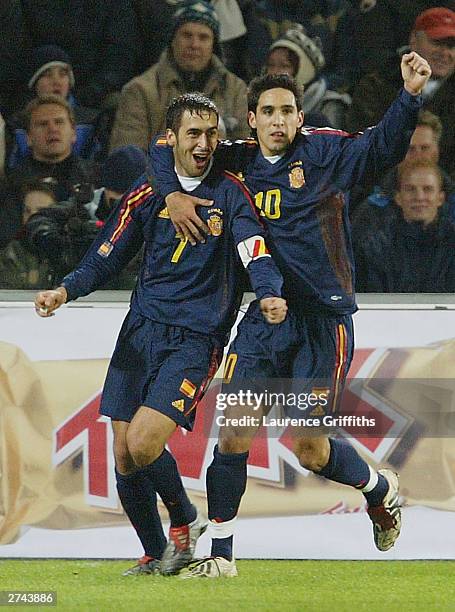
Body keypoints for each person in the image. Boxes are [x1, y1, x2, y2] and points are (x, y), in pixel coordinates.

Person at [149, 53, 431, 577]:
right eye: (268, 112)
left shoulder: (325, 153)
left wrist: (410, 95)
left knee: (309, 448)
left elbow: (384, 145)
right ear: (250, 119)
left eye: (287, 111)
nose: (279, 121)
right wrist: (169, 190)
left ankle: (380, 488)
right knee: (232, 429)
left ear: (301, 117)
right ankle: (222, 557)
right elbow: (164, 149)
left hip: (323, 324)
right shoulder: (234, 160)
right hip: (264, 319)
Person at [34, 93, 287, 577]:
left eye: (212, 133)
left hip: (195, 338)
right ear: (171, 138)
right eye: (194, 133)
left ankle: (186, 519)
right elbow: (108, 252)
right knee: (125, 456)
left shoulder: (231, 192)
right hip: (141, 331)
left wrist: (269, 290)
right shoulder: (149, 191)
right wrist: (65, 290)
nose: (205, 143)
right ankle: (156, 555)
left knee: (146, 442)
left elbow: (254, 247)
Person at [109, 0, 249, 151]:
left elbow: (247, 154)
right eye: (187, 35)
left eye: (203, 37)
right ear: (172, 41)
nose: (194, 44)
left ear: (213, 45)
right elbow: (128, 161)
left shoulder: (236, 90)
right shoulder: (139, 91)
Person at [346, 7, 455, 178]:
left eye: (451, 46)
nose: (445, 53)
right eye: (437, 43)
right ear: (413, 40)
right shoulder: (376, 86)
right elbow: (363, 151)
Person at [354, 159, 455, 292]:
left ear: (440, 198)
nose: (419, 197)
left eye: (428, 189)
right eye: (410, 189)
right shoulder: (374, 247)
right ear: (398, 198)